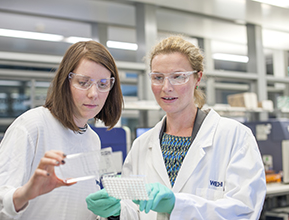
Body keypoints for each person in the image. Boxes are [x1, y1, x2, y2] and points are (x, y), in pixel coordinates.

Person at [86, 35, 266, 220]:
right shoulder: (142, 145)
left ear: (198, 78)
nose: (166, 87)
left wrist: (177, 205)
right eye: (158, 77)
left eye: (178, 77)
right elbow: (134, 209)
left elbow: (244, 210)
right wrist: (117, 212)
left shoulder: (235, 136)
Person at [0, 40, 123, 220]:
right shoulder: (32, 126)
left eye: (103, 84)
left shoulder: (93, 139)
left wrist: (110, 212)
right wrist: (24, 194)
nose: (94, 93)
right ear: (66, 81)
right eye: (83, 82)